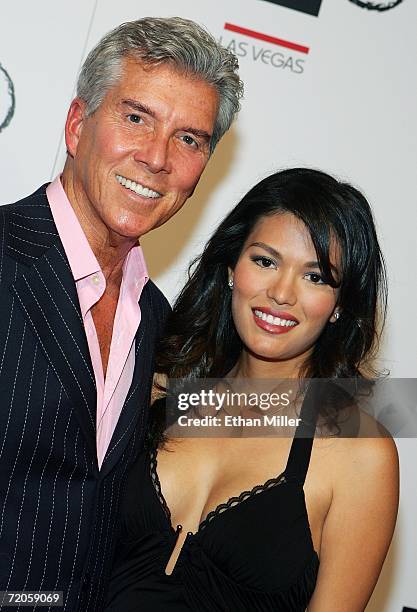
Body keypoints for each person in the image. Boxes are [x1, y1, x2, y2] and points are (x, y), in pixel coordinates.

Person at [0, 17, 242, 612]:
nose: (157, 157)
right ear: (78, 126)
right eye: (137, 118)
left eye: (189, 139)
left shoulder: (159, 322)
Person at [106, 168, 399, 611]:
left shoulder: (359, 453)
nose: (281, 293)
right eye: (265, 261)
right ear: (230, 268)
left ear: (340, 306)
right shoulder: (159, 395)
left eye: (316, 276)